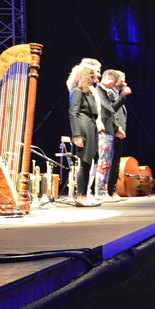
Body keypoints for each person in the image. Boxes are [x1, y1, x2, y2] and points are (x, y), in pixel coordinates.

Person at [67, 63, 102, 207]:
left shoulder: (89, 92)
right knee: (84, 163)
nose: (97, 77)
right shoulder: (77, 91)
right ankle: (80, 196)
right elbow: (73, 113)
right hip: (83, 127)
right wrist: (76, 135)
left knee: (90, 162)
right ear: (87, 76)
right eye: (94, 75)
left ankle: (85, 194)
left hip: (90, 125)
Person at [104, 70, 131, 200]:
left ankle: (112, 190)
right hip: (113, 131)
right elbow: (110, 111)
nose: (124, 83)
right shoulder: (108, 93)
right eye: (121, 81)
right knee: (110, 162)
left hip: (118, 132)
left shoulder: (115, 93)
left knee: (115, 162)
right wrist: (123, 96)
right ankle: (108, 191)